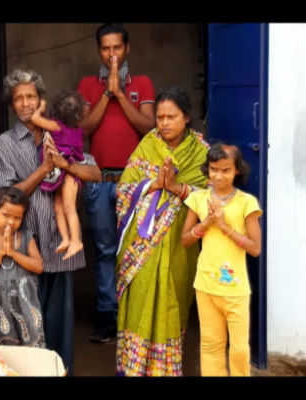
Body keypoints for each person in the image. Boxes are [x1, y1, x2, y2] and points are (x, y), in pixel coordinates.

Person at [0, 68, 102, 375]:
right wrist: (45, 168)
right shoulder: (5, 144)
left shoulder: (62, 130)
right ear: (11, 105)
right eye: (18, 99)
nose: (25, 103)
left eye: (31, 96)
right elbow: (7, 195)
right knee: (28, 319)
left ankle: (60, 371)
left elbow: (95, 172)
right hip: (27, 245)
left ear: (41, 100)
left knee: (61, 322)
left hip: (59, 242)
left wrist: (66, 164)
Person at [115, 86, 210, 376]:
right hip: (142, 248)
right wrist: (153, 185)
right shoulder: (147, 145)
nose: (164, 123)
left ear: (187, 117)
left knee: (173, 304)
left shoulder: (201, 153)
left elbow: (212, 200)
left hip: (181, 247)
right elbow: (123, 192)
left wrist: (178, 188)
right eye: (160, 117)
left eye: (171, 116)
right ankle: (133, 369)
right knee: (140, 301)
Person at [77, 23, 156, 343]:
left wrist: (120, 94)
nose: (112, 54)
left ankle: (133, 314)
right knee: (106, 250)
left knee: (135, 249)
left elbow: (148, 127)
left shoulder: (143, 84)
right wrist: (107, 92)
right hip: (99, 181)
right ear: (99, 50)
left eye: (117, 48)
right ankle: (108, 313)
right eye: (106, 48)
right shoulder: (87, 84)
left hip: (134, 182)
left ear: (127, 49)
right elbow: (84, 128)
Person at [181, 143, 262, 377]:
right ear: (208, 169)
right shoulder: (198, 199)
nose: (218, 175)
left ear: (237, 170)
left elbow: (255, 249)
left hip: (235, 290)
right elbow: (185, 240)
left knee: (238, 350)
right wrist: (205, 224)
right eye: (214, 169)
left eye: (226, 170)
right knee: (210, 347)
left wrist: (225, 228)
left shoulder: (247, 203)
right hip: (206, 286)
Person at [0, 187, 45, 348]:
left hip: (25, 306)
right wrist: (1, 253)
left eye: (17, 217)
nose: (11, 222)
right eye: (6, 215)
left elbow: (38, 267)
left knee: (29, 350)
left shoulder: (27, 238)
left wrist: (13, 253)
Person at [31, 90, 87, 261]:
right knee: (59, 207)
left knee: (67, 207)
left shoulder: (56, 126)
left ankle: (75, 241)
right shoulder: (79, 131)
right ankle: (66, 239)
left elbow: (35, 119)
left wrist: (41, 107)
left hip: (68, 174)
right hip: (61, 174)